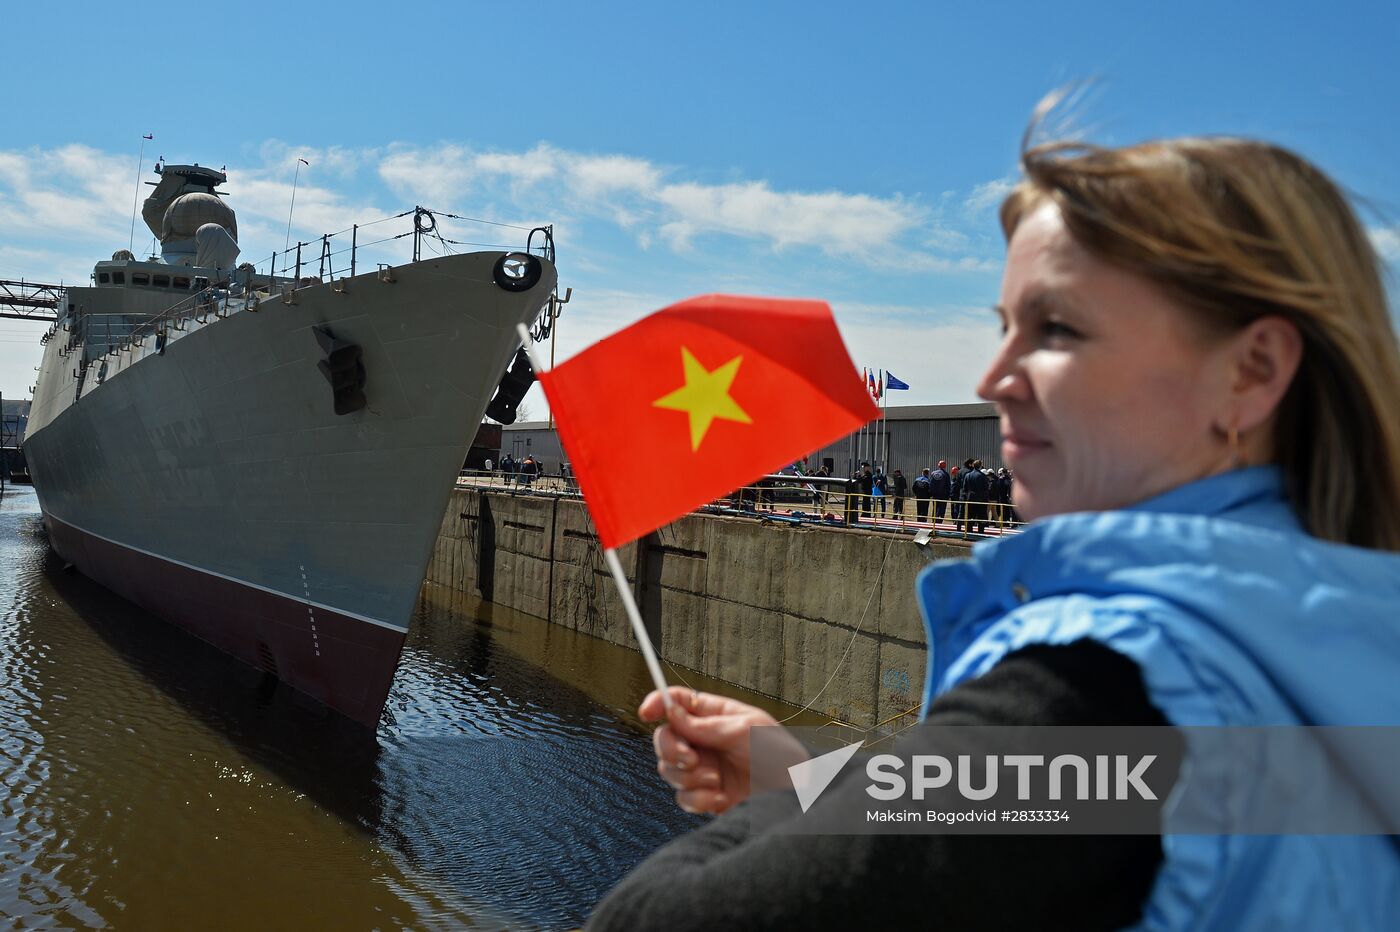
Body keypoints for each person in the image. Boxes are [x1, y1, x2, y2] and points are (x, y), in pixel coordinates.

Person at [588, 115, 1400, 930]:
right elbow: (1081, 806)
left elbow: (643, 921)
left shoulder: (1108, 687)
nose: (993, 377)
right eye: (1005, 326)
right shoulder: (1323, 633)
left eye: (1057, 328)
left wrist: (797, 814)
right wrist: (803, 782)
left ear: (1252, 370)